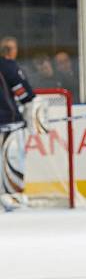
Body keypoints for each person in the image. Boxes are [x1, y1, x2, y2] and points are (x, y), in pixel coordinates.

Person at [0, 44, 35, 211]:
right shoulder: (8, 66)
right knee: (12, 160)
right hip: (9, 123)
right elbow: (25, 94)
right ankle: (13, 197)